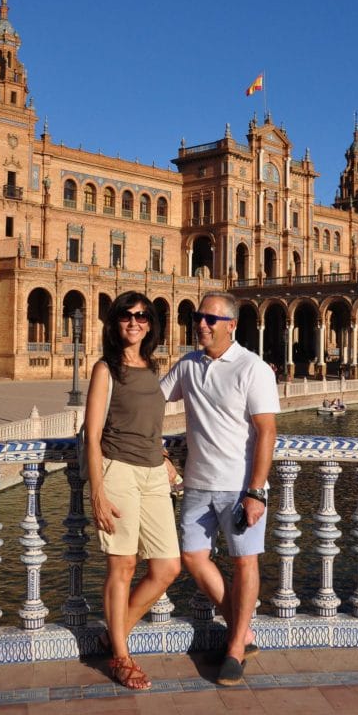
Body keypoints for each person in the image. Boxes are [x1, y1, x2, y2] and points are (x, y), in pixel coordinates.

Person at [160, 292, 279, 686]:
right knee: (193, 557)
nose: (201, 324)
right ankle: (242, 632)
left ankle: (235, 650)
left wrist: (256, 491)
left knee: (245, 562)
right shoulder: (188, 365)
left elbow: (267, 432)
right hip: (197, 482)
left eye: (210, 319)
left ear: (232, 325)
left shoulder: (252, 368)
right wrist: (157, 451)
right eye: (199, 317)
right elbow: (152, 401)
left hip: (240, 486)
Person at [84, 291, 181, 691]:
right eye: (127, 315)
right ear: (115, 322)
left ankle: (114, 635)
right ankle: (121, 657)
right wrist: (97, 493)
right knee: (122, 565)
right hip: (119, 472)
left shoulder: (153, 367)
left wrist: (163, 456)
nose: (135, 322)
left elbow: (149, 424)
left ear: (151, 325)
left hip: (154, 473)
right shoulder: (106, 369)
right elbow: (92, 436)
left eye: (142, 316)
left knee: (167, 567)